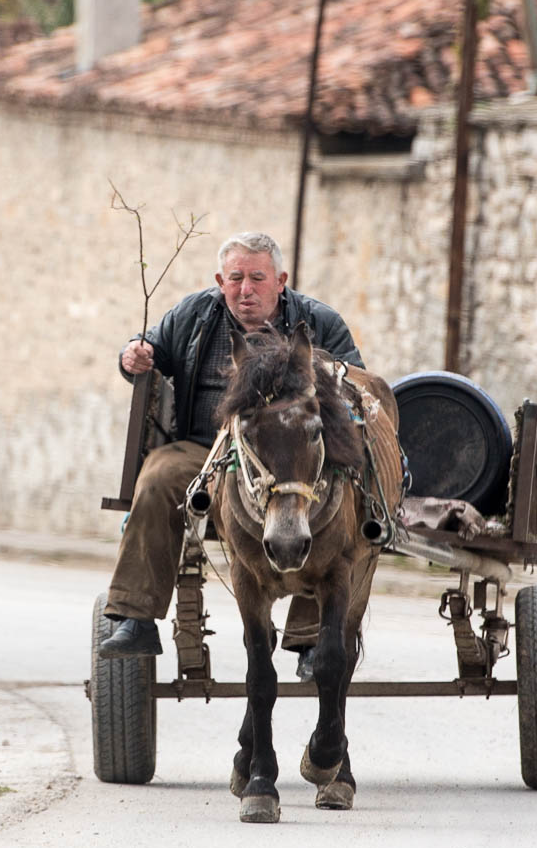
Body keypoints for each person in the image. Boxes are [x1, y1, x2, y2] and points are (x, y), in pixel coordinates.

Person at [99, 231, 364, 664]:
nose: (245, 290)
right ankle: (136, 617)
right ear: (220, 281)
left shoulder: (319, 323)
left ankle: (310, 636)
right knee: (157, 478)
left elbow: (354, 380)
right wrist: (133, 354)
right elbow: (150, 347)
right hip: (210, 452)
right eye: (235, 278)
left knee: (338, 499)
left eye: (257, 278)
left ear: (281, 280)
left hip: (293, 457)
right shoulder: (194, 314)